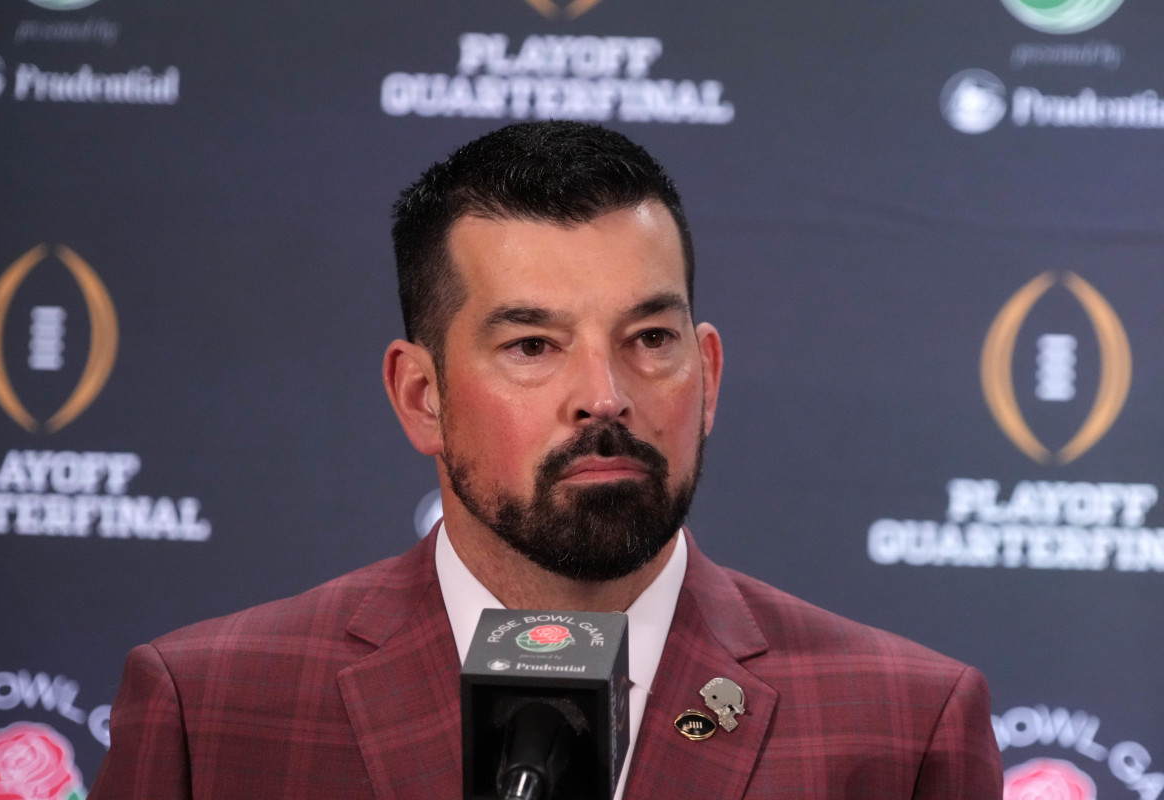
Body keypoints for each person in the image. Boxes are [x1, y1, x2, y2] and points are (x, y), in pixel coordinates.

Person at [90, 121, 1003, 799]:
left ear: (709, 374)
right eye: (532, 345)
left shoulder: (903, 723)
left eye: (650, 337)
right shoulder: (209, 709)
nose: (606, 394)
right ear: (421, 397)